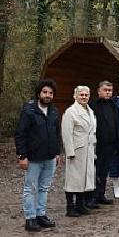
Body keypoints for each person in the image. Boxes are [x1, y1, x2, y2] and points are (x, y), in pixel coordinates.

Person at [15, 79, 60, 232]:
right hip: (33, 158)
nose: (48, 95)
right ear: (39, 93)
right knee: (30, 188)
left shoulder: (54, 112)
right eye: (45, 92)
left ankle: (41, 215)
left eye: (50, 93)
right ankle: (30, 218)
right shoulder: (29, 111)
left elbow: (56, 133)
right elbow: (20, 134)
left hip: (50, 157)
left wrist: (57, 152)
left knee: (44, 187)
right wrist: (22, 156)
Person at [61, 86, 97, 217]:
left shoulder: (90, 111)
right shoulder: (70, 112)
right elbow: (66, 133)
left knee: (84, 179)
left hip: (89, 149)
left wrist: (94, 148)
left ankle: (80, 205)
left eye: (86, 94)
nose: (84, 97)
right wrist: (69, 151)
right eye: (81, 94)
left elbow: (93, 131)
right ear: (75, 96)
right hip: (76, 150)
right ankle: (70, 207)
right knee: (72, 179)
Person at [89, 81, 119, 205]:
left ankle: (101, 194)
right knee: (94, 171)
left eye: (110, 90)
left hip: (110, 143)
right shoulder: (93, 105)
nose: (108, 92)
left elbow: (116, 122)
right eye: (105, 90)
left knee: (104, 170)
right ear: (99, 91)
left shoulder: (113, 104)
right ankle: (92, 196)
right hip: (98, 144)